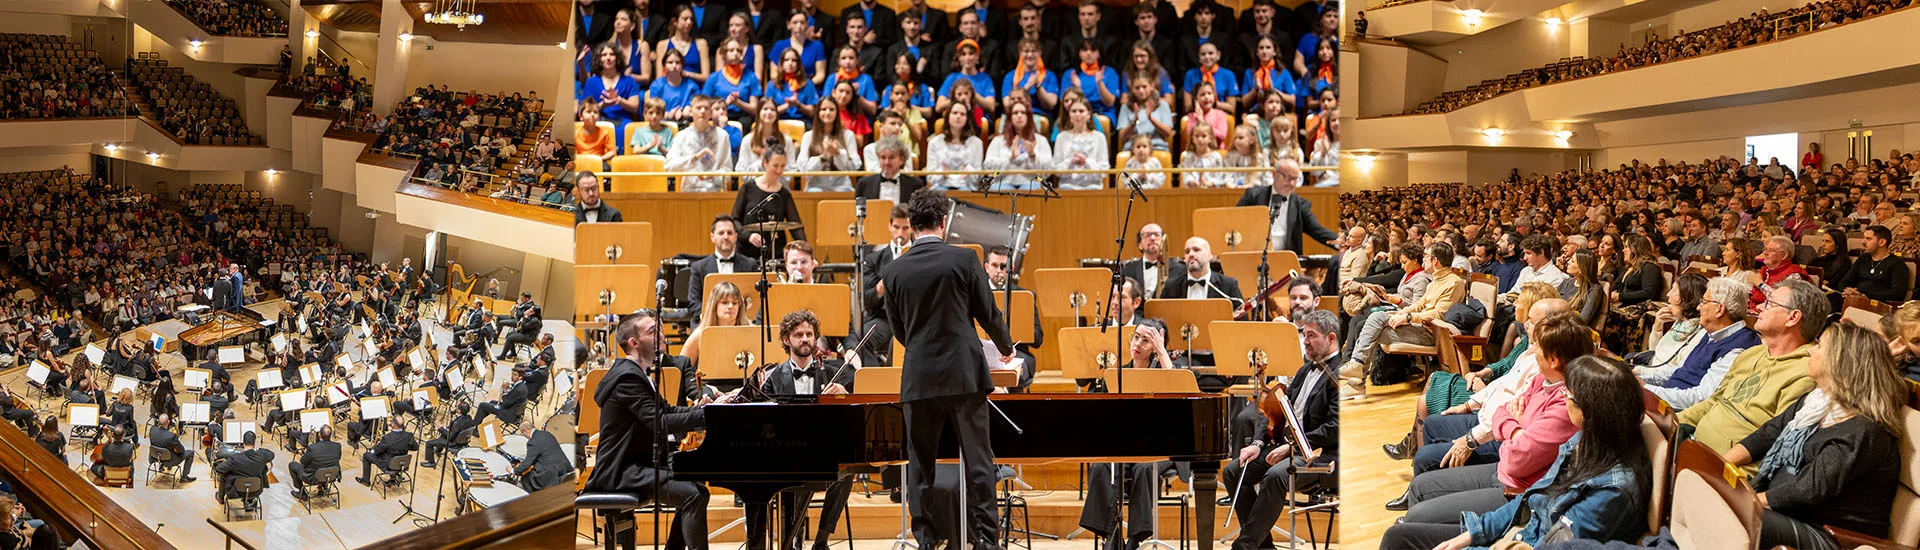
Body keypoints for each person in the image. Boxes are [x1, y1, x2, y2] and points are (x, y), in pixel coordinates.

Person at [1381, 356, 1652, 550]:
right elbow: (1531, 502)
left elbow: (1553, 539)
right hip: (1520, 525)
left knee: (1401, 536)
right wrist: (1476, 532)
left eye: (1570, 393)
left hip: (1521, 535)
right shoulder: (1584, 441)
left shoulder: (1613, 490)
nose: (1564, 396)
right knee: (1399, 535)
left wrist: (1488, 541)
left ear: (1591, 410)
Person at [877, 189, 1015, 549]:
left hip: (919, 378)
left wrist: (924, 349)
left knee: (920, 467)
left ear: (911, 226)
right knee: (978, 462)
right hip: (964, 375)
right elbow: (987, 312)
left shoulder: (892, 271)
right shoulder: (965, 261)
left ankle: (925, 539)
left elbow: (899, 330)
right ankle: (986, 541)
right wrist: (1006, 347)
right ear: (943, 223)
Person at [1392, 310, 1591, 520]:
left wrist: (1512, 432)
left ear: (1554, 360)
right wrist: (1517, 430)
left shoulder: (1566, 405)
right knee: (1422, 480)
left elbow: (1514, 458)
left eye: (1539, 348)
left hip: (1518, 490)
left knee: (1414, 512)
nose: (1534, 350)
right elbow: (1503, 410)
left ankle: (1416, 523)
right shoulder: (1542, 381)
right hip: (1504, 463)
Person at [1722, 323, 1905, 550]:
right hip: (1789, 514)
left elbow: (1808, 489)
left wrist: (1744, 498)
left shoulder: (1864, 430)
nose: (1810, 350)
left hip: (1828, 535)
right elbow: (1769, 433)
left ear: (1841, 361)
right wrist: (1721, 465)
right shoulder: (1817, 402)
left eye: (1819, 346)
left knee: (1728, 510)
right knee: (1714, 495)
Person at [582, 310, 711, 550]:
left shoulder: (638, 373)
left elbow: (669, 410)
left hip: (637, 465)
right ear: (633, 343)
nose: (661, 335)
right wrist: (706, 417)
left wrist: (708, 410)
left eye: (661, 329)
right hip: (621, 471)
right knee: (693, 495)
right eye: (653, 332)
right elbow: (660, 423)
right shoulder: (627, 378)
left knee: (697, 487)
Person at [1226, 310, 1340, 550]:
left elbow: (1334, 428)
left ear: (1331, 338)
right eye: (1304, 335)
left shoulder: (1340, 375)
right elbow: (1274, 412)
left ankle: (1244, 546)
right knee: (1233, 471)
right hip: (1287, 448)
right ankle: (1263, 546)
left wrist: (1292, 446)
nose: (1305, 341)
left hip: (1321, 455)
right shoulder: (1304, 370)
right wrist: (1256, 444)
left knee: (1277, 476)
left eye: (1311, 335)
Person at [1679, 279, 1828, 456]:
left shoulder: (1806, 373)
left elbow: (1777, 444)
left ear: (1793, 318)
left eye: (1770, 304)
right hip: (1692, 442)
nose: (1758, 308)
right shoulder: (1751, 354)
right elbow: (1714, 401)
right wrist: (1671, 421)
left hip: (1725, 470)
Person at [1638, 277, 1760, 411]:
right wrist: (1640, 377)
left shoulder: (1739, 346)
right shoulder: (1711, 333)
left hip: (1677, 411)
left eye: (1704, 302)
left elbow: (1700, 398)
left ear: (1719, 310)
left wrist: (1646, 389)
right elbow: (1679, 370)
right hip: (1667, 397)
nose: (1698, 307)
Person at [1236, 158, 1339, 254]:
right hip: (1255, 258)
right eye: (1288, 177)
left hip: (1286, 262)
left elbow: (1318, 231)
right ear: (1274, 174)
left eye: (1295, 179)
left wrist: (1343, 243)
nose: (1292, 183)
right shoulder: (1253, 196)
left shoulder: (1299, 205)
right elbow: (1233, 220)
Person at [685, 216, 763, 322]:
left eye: (730, 233)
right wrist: (714, 319)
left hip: (743, 323)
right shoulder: (698, 267)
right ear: (712, 237)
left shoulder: (750, 264)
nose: (726, 237)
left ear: (736, 236)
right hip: (708, 324)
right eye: (721, 233)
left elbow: (759, 300)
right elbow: (693, 302)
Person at [856, 136, 926, 202]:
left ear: (902, 160)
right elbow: (858, 213)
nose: (886, 162)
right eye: (883, 157)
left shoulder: (915, 185)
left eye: (891, 157)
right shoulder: (864, 184)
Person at [215, 431, 274, 503]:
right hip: (256, 490)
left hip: (237, 491)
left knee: (224, 474)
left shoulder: (235, 458)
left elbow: (218, 469)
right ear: (254, 443)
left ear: (243, 442)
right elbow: (271, 454)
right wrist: (258, 450)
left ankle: (220, 497)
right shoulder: (261, 456)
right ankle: (249, 502)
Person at [513, 423, 573, 492]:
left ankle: (534, 499)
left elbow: (527, 463)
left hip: (552, 474)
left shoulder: (533, 442)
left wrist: (514, 471)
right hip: (565, 468)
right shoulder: (547, 434)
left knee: (525, 479)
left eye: (522, 433)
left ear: (525, 431)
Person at [356, 417, 415, 486]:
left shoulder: (387, 438)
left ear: (393, 425)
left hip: (389, 464)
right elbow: (415, 447)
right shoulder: (409, 435)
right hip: (403, 463)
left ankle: (365, 480)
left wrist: (373, 449)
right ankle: (393, 478)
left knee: (366, 455)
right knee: (393, 456)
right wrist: (403, 446)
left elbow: (376, 451)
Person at [291, 425, 341, 499]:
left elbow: (303, 462)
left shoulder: (313, 448)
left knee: (292, 465)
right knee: (326, 465)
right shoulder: (337, 446)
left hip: (313, 478)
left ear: (320, 435)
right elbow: (338, 458)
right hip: (331, 476)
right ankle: (323, 487)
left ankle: (302, 494)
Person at [149, 414, 196, 483]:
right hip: (169, 460)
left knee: (166, 449)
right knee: (190, 453)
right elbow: (181, 450)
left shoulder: (152, 430)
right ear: (168, 422)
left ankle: (163, 466)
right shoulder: (171, 436)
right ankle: (184, 478)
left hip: (154, 457)